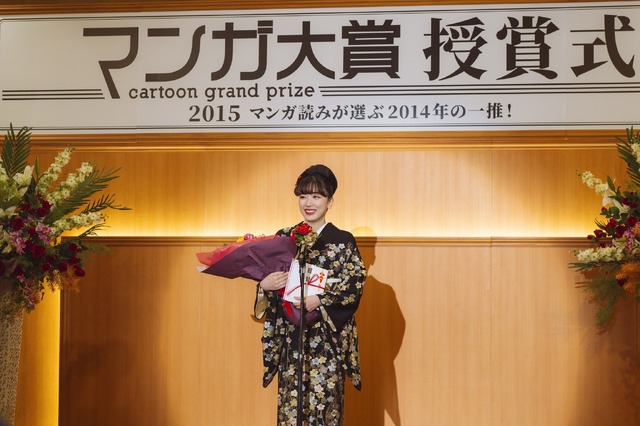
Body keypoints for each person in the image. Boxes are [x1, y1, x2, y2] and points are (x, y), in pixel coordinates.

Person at [254, 164, 367, 425]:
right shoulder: (285, 237)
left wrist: (321, 299)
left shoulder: (343, 241)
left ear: (330, 201)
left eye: (316, 196)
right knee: (291, 409)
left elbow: (354, 286)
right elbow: (270, 284)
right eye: (303, 196)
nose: (308, 203)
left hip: (326, 340)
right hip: (292, 338)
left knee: (326, 407)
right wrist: (264, 285)